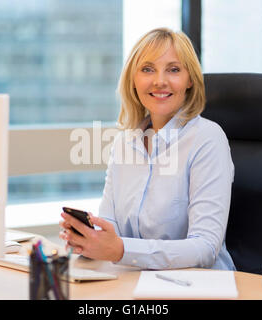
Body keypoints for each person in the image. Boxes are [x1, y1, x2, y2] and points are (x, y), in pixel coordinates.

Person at [59, 27, 236, 270]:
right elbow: (111, 224)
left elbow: (205, 247)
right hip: (135, 283)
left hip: (198, 287)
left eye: (173, 70)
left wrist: (121, 250)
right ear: (133, 79)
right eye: (147, 69)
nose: (160, 81)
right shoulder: (124, 143)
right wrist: (88, 240)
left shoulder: (207, 138)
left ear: (190, 80)